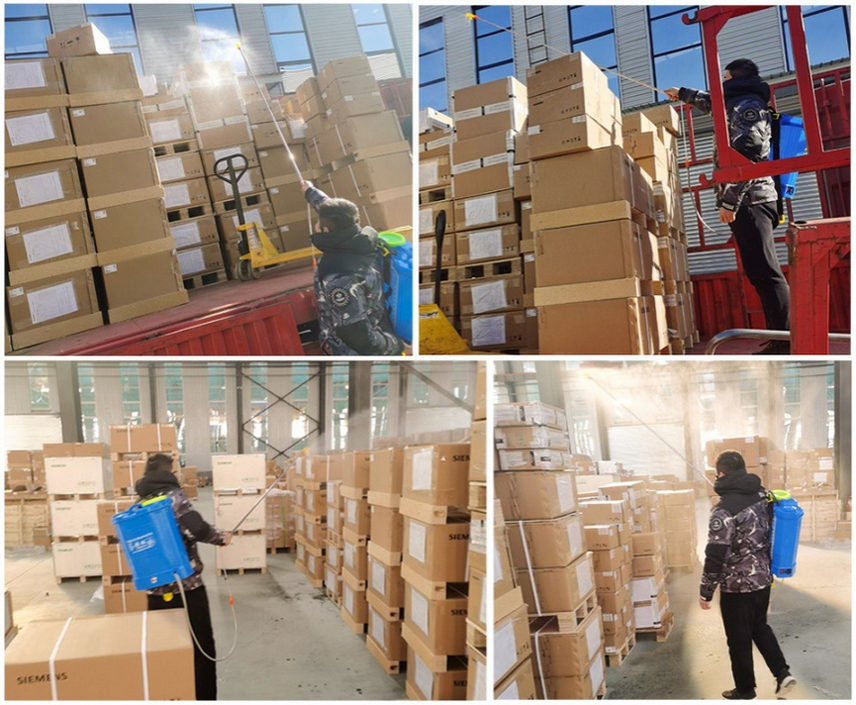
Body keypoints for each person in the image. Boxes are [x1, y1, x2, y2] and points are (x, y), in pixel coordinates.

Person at [667, 58, 790, 355]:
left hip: (752, 200)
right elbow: (711, 103)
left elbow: (749, 155)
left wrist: (729, 202)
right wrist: (681, 93)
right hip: (749, 200)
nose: (720, 82)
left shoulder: (748, 106)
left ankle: (786, 342)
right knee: (759, 272)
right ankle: (779, 339)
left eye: (724, 77)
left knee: (766, 272)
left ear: (733, 77)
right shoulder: (736, 103)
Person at [700, 451, 796, 700]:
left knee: (738, 638)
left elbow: (715, 555)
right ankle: (782, 672)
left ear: (721, 473)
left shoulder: (723, 511)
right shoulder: (762, 494)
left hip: (737, 587)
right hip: (762, 579)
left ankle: (745, 689)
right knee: (759, 627)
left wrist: (706, 592)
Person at [135, 454, 230, 701]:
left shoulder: (139, 503)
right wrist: (221, 537)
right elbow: (196, 529)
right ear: (169, 471)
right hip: (187, 590)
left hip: (156, 593)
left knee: (165, 651)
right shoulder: (174, 498)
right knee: (201, 649)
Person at [300, 181, 404, 356]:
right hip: (380, 329)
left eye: (319, 223)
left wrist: (396, 345)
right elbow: (334, 211)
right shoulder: (364, 241)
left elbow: (356, 335)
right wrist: (310, 191)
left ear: (325, 230)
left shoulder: (339, 275)